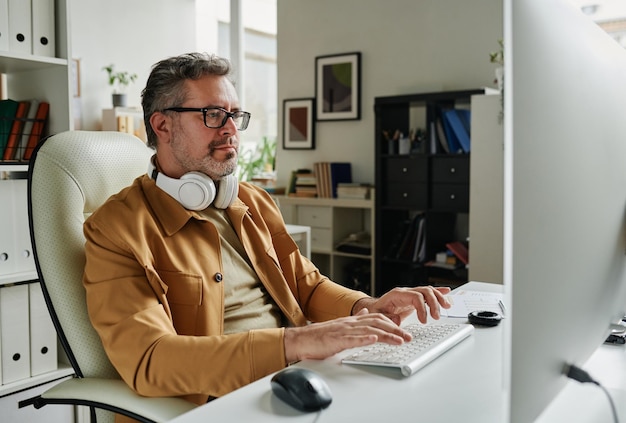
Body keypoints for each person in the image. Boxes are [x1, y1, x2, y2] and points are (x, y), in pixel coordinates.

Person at [82, 52, 451, 419]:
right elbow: (151, 360)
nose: (230, 130)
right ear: (162, 126)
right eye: (212, 115)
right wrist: (297, 343)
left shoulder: (251, 200)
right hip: (214, 403)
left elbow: (305, 284)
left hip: (294, 378)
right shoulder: (116, 230)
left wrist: (364, 307)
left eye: (234, 116)